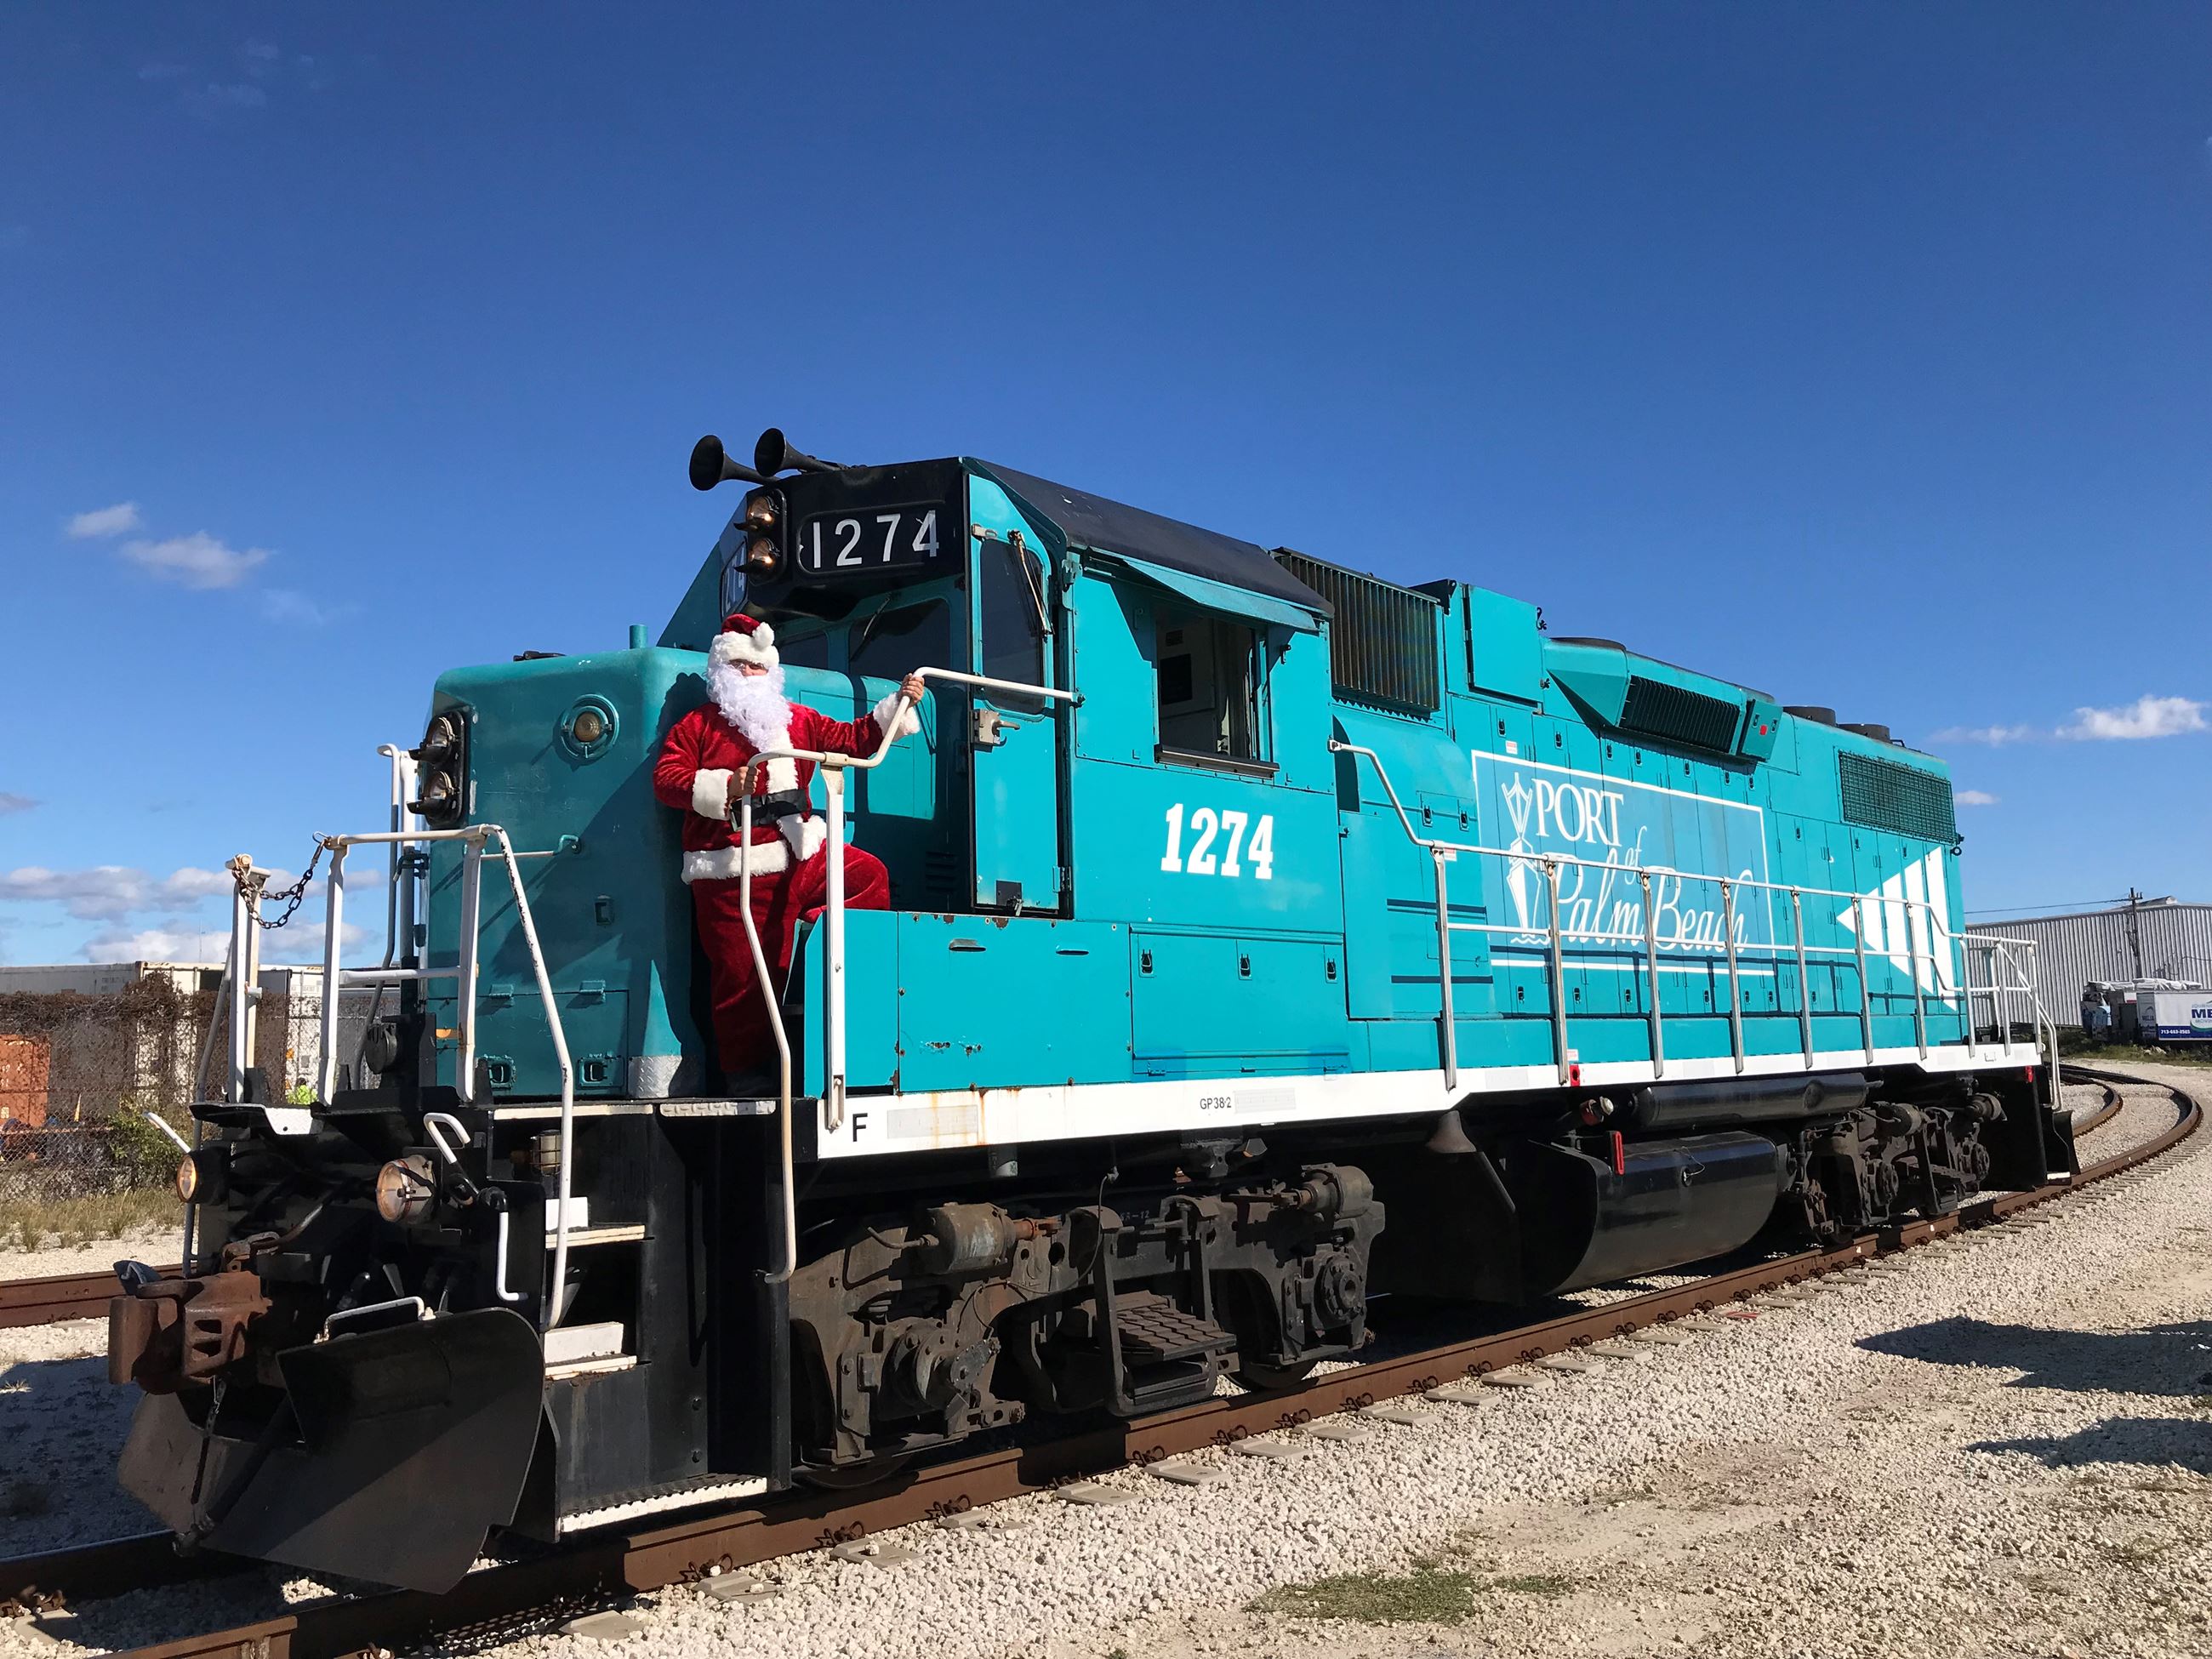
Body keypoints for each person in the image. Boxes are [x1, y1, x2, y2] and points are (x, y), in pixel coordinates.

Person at [653, 611, 926, 1080]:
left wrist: (900, 703)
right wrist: (727, 785)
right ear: (722, 672)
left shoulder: (797, 720)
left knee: (867, 876)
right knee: (744, 980)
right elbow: (667, 780)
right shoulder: (697, 726)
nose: (751, 675)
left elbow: (855, 738)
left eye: (758, 667)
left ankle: (817, 942)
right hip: (733, 869)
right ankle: (747, 1077)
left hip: (801, 854)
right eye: (741, 667)